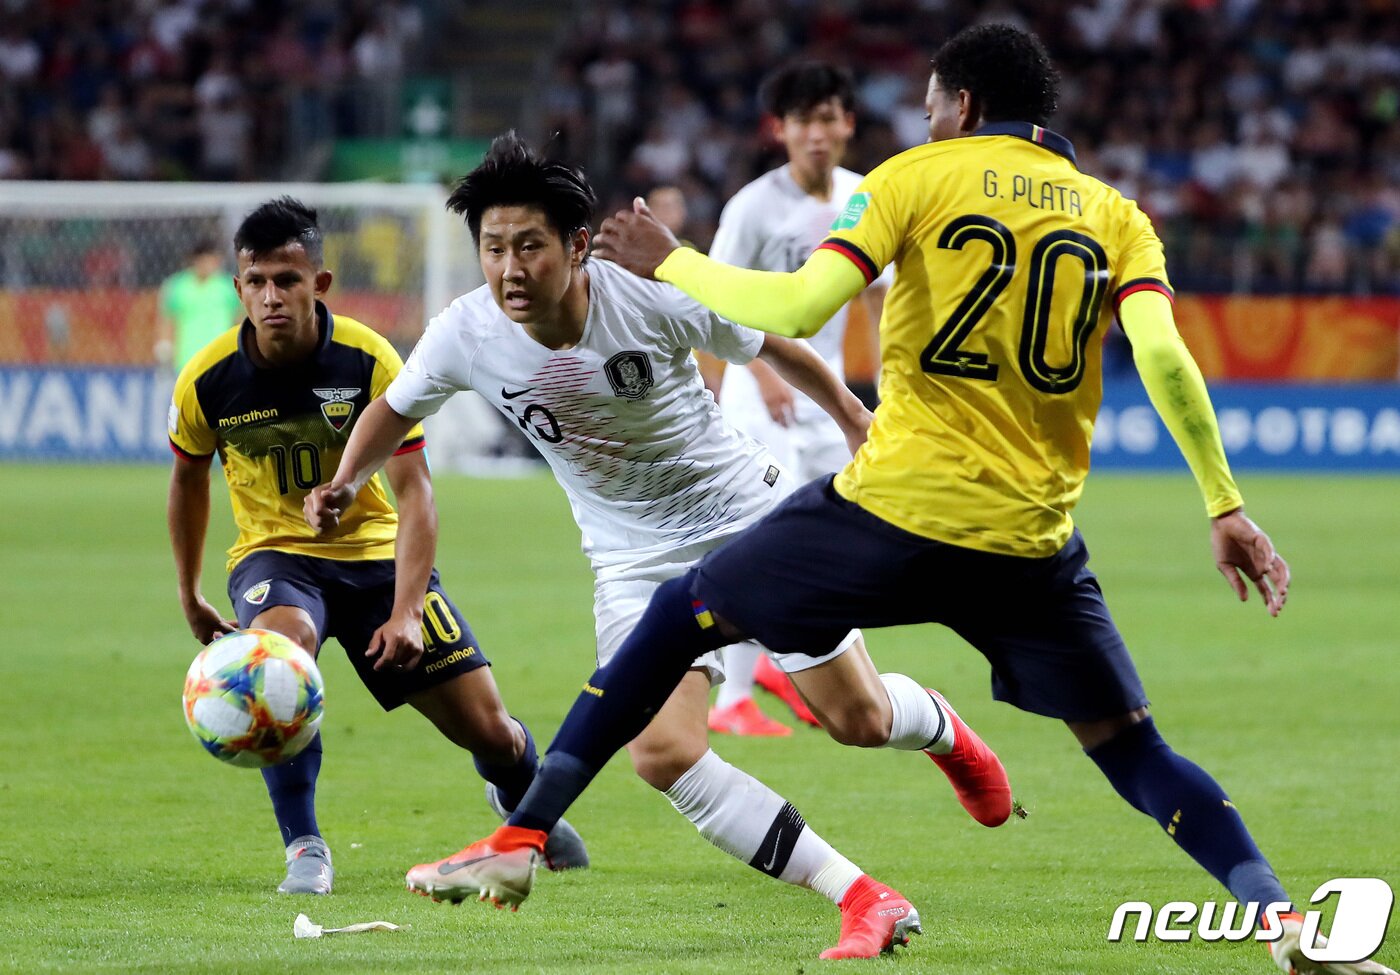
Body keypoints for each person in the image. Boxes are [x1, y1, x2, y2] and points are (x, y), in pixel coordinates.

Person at [426, 26, 1397, 975]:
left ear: (961, 104)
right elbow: (1161, 357)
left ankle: (518, 835)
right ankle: (1274, 916)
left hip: (894, 512)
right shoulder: (1115, 215)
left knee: (678, 612)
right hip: (1030, 542)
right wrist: (1222, 505)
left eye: (929, 104)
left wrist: (670, 260)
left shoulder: (907, 180)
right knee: (1134, 751)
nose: (923, 120)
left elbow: (798, 310)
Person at [305, 134, 1013, 959]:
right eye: (493, 249)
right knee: (663, 754)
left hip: (747, 523)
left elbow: (767, 341)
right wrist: (348, 481)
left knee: (855, 718)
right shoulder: (466, 333)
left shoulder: (645, 295)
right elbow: (394, 408)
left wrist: (853, 416)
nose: (509, 270)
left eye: (529, 246)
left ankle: (940, 728)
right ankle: (862, 895)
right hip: (632, 562)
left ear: (576, 245)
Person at [166, 197, 587, 895]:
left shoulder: (368, 361)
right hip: (276, 556)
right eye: (258, 282)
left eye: (288, 281)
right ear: (237, 288)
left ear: (319, 283)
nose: (271, 297)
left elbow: (416, 490)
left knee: (492, 731)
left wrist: (408, 607)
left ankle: (521, 803)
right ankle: (304, 844)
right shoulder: (208, 379)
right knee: (282, 659)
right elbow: (187, 479)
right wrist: (188, 591)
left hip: (377, 555)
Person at [705, 61, 888, 738]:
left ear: (847, 123)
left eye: (827, 117)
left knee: (837, 539)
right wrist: (758, 376)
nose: (816, 134)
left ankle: (810, 672)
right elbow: (715, 298)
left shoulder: (864, 197)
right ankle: (735, 699)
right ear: (778, 130)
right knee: (769, 535)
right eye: (802, 120)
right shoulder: (753, 206)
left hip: (829, 394)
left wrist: (884, 391)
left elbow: (881, 297)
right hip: (764, 393)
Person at [156, 239, 244, 373]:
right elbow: (168, 319)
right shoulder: (177, 286)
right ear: (196, 260)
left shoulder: (228, 286)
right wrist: (165, 344)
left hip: (221, 357)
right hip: (186, 359)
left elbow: (238, 319)